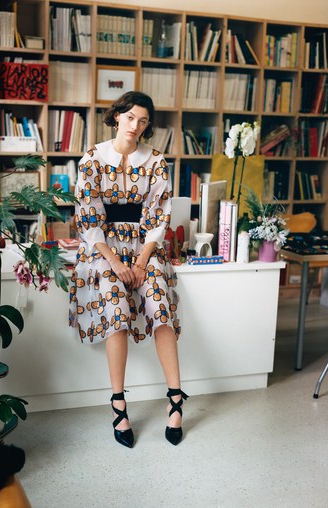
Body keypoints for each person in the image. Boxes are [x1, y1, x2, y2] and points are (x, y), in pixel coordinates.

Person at [69, 91, 187, 448]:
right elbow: (88, 219)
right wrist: (116, 263)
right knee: (116, 309)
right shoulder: (92, 159)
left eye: (143, 121)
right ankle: (119, 404)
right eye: (131, 117)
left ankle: (176, 399)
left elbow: (159, 217)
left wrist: (139, 261)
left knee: (159, 306)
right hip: (102, 249)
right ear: (117, 115)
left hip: (144, 247)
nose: (136, 125)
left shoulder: (156, 161)